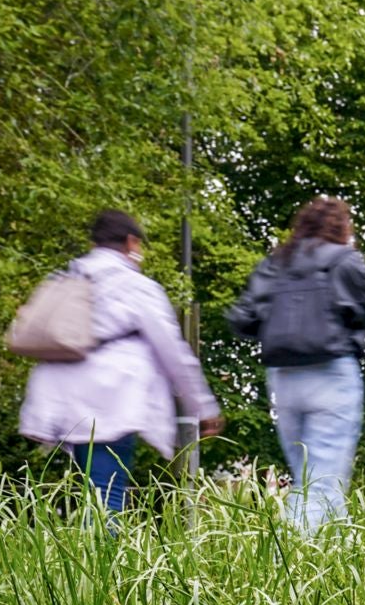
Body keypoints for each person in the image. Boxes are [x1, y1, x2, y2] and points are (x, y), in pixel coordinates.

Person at [19, 209, 222, 514]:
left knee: (95, 489)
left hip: (62, 399)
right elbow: (174, 353)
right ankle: (100, 561)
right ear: (131, 242)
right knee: (107, 494)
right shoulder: (136, 287)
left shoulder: (68, 277)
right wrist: (203, 407)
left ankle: (88, 557)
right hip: (110, 398)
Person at [228, 196, 365, 532]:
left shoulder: (276, 263)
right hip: (332, 374)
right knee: (323, 483)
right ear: (342, 229)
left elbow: (242, 318)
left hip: (284, 379)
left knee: (308, 479)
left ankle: (339, 567)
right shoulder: (345, 261)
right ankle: (293, 569)